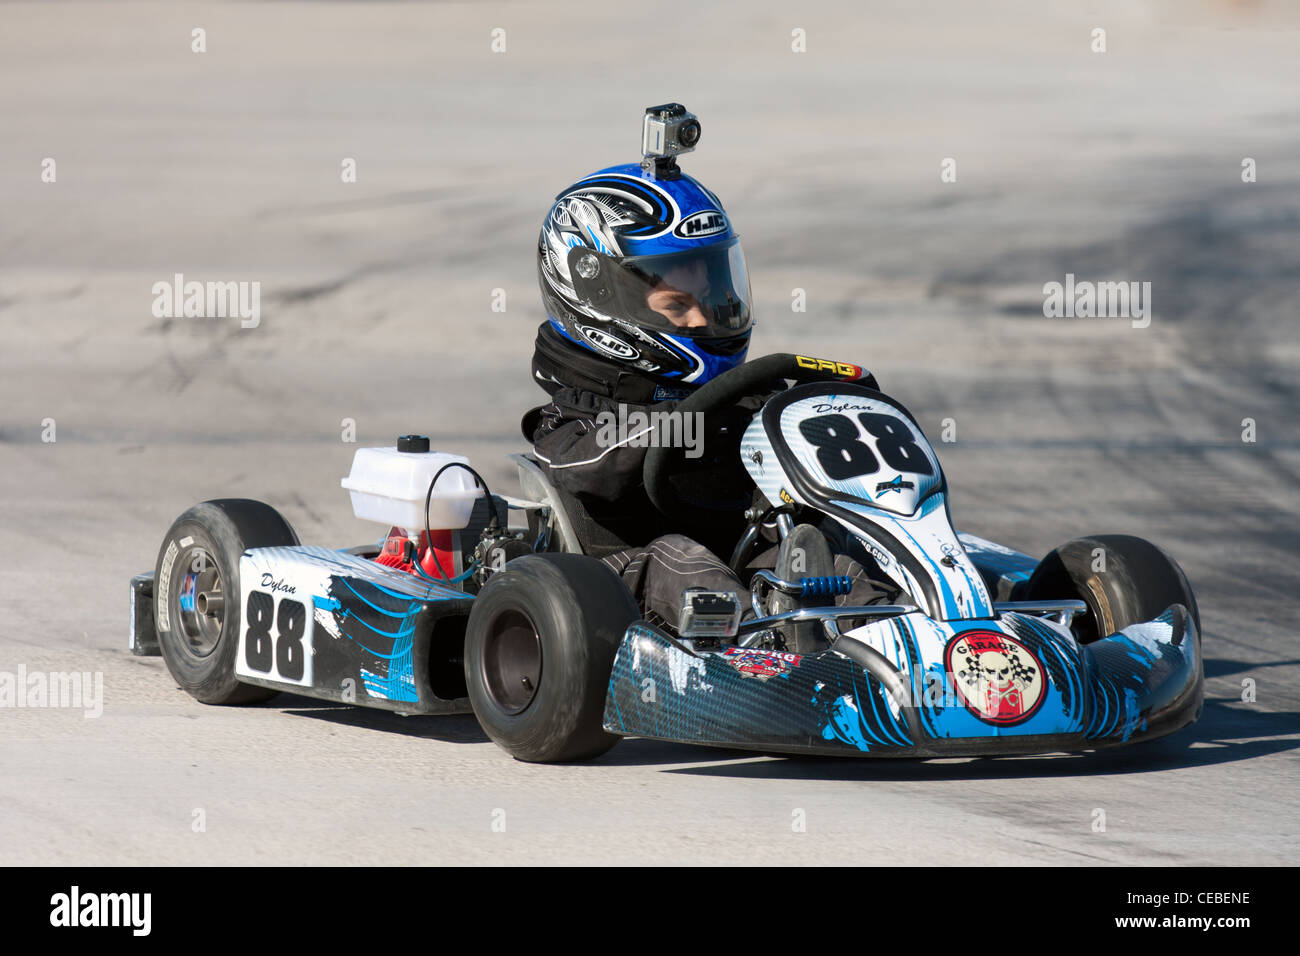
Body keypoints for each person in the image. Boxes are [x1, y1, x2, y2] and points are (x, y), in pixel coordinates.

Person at [521, 162, 895, 641]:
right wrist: (699, 422)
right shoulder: (572, 413)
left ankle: (900, 642)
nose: (702, 319)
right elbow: (591, 466)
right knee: (680, 558)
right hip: (622, 585)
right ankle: (762, 651)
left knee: (830, 559)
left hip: (743, 556)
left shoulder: (741, 399)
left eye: (711, 297)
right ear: (598, 297)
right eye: (678, 306)